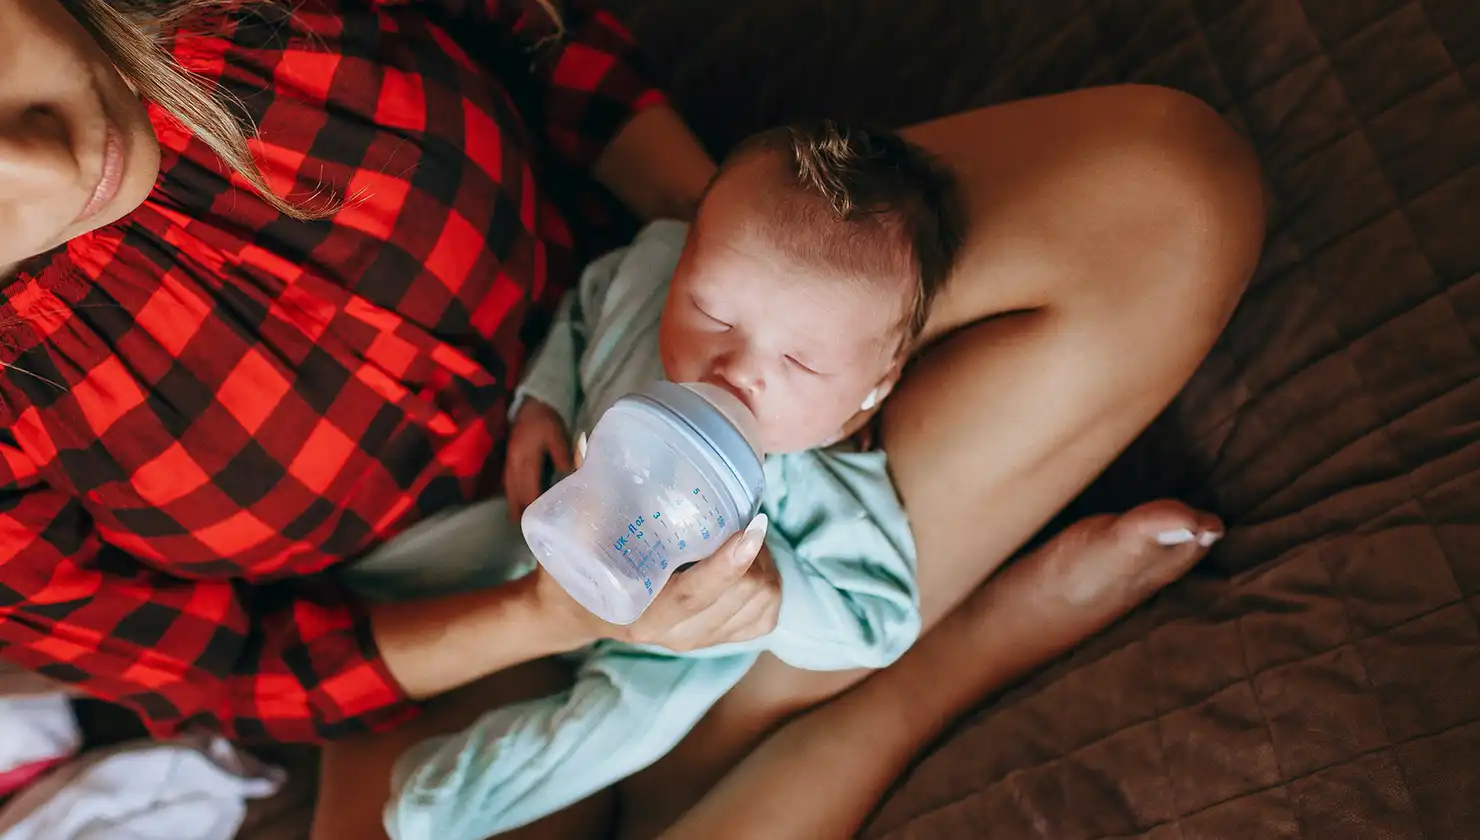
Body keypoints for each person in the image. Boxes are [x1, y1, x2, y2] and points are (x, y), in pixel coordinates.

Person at [0, 0, 1265, 838]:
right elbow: (235, 669)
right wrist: (542, 614)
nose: (48, 163)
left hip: (652, 313)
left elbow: (525, 25)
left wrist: (720, 268)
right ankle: (905, 682)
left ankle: (737, 707)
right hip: (434, 626)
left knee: (1165, 195)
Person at [349, 122, 962, 838]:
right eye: (711, 310)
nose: (735, 367)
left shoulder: (830, 481)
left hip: (676, 644)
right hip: (564, 525)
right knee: (465, 547)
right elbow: (589, 300)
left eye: (801, 364)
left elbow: (881, 622)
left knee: (630, 723)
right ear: (684, 259)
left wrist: (774, 598)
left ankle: (458, 793)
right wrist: (542, 398)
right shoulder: (649, 275)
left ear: (872, 389)